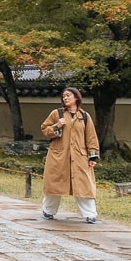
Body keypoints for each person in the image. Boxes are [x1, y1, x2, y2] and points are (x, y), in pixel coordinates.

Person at [40, 87, 101, 223]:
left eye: (68, 95)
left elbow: (91, 137)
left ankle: (90, 214)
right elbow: (45, 129)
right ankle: (48, 210)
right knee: (54, 185)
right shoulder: (57, 113)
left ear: (76, 97)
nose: (65, 98)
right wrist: (57, 126)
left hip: (80, 156)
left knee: (84, 185)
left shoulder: (84, 116)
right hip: (58, 156)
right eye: (63, 96)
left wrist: (92, 157)